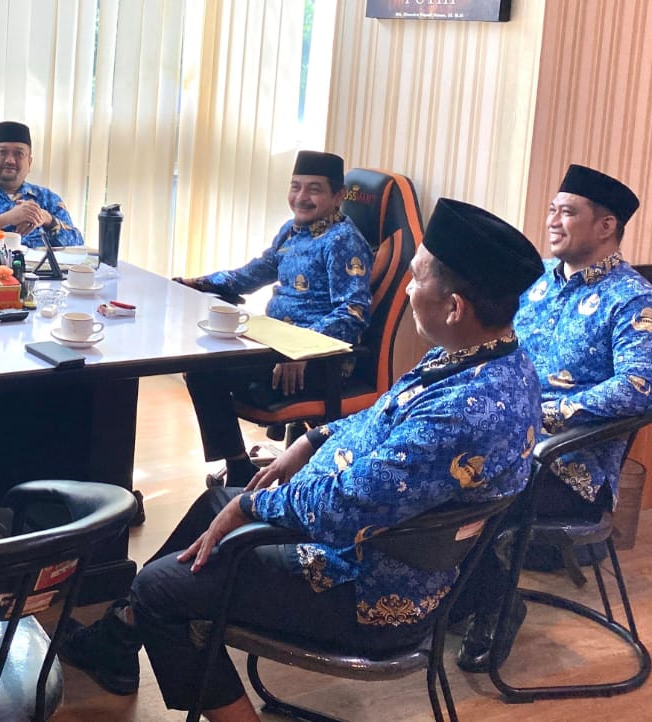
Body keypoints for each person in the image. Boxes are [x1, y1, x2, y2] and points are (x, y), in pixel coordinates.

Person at [59, 198, 544, 721]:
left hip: (366, 590)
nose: (406, 289)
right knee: (214, 506)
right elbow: (381, 415)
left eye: (417, 278)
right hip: (363, 546)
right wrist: (310, 442)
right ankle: (118, 635)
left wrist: (253, 507)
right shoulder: (489, 361)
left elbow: (346, 507)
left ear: (455, 308)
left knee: (162, 588)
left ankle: (134, 621)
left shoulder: (465, 411)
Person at [454, 164, 652, 672]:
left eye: (567, 213)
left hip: (565, 466)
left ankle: (495, 605)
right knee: (425, 460)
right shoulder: (536, 280)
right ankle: (454, 593)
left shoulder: (632, 298)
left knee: (457, 485)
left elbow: (640, 386)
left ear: (606, 226)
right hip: (499, 435)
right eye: (551, 210)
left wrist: (552, 412)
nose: (552, 222)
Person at [176, 151, 373, 486]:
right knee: (201, 362)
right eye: (296, 187)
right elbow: (249, 276)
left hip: (318, 361)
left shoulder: (344, 241)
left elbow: (353, 312)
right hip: (277, 348)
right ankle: (239, 465)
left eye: (314, 189)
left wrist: (301, 348)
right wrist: (197, 283)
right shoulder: (292, 230)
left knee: (205, 370)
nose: (301, 197)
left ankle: (239, 470)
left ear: (338, 196)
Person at [0, 121, 82, 250]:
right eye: (2, 152)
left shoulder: (48, 199)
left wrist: (47, 219)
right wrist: (5, 219)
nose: (10, 160)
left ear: (29, 162)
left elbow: (77, 244)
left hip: (37, 265)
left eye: (19, 154)